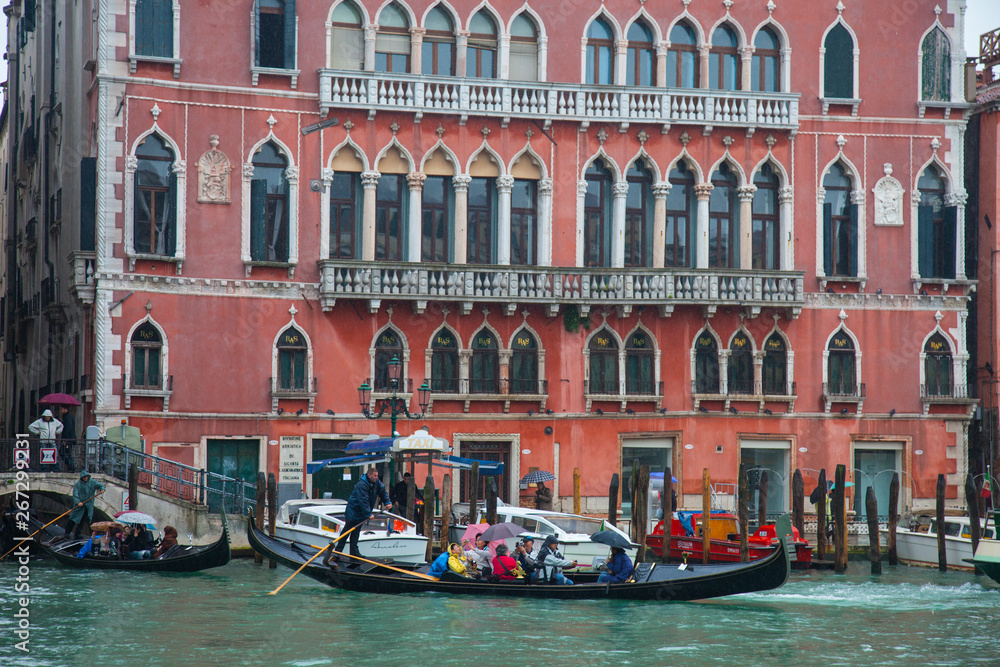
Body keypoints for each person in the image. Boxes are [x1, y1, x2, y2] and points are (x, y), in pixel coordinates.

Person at [335, 467, 392, 558]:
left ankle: (354, 553)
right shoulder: (361, 484)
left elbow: (382, 491)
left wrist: (387, 502)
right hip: (353, 511)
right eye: (374, 476)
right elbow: (363, 500)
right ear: (369, 475)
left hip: (361, 513)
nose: (376, 477)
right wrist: (368, 514)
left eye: (377, 476)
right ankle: (337, 552)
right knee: (347, 531)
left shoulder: (376, 482)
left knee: (356, 533)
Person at [63, 471, 105, 540]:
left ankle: (77, 533)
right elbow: (75, 494)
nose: (86, 478)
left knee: (82, 520)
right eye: (84, 477)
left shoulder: (92, 482)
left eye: (86, 477)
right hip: (79, 505)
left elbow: (100, 485)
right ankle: (67, 533)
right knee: (73, 518)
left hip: (88, 505)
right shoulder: (78, 484)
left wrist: (102, 489)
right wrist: (78, 502)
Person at [57, 405, 77, 470]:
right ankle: (70, 467)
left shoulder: (68, 417)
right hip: (69, 439)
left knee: (64, 453)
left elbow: (68, 429)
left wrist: (65, 440)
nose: (60, 411)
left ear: (66, 410)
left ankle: (71, 467)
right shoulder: (67, 417)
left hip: (68, 439)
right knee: (65, 453)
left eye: (61, 409)